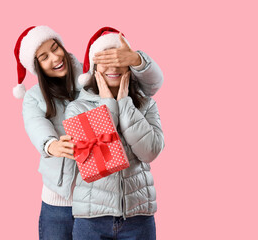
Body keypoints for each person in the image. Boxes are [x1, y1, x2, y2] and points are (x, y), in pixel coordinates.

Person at [13, 26, 163, 239]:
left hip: (104, 200)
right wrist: (50, 144)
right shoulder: (35, 97)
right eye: (44, 57)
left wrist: (136, 60)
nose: (55, 58)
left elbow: (151, 83)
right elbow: (35, 124)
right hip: (61, 200)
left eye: (56, 48)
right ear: (36, 66)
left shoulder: (91, 75)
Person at [65, 29, 164, 240]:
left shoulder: (147, 105)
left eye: (118, 59)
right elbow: (100, 162)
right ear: (93, 67)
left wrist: (125, 105)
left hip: (139, 217)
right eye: (104, 59)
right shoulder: (76, 108)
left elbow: (150, 152)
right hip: (91, 220)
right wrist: (108, 104)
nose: (113, 67)